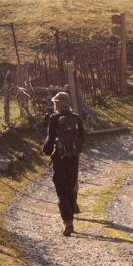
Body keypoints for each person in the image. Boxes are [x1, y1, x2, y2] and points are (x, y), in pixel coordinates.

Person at [42, 90, 86, 236]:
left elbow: (50, 139)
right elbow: (83, 138)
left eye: (55, 102)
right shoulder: (77, 118)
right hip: (73, 159)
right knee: (70, 190)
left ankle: (68, 222)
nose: (54, 104)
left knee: (61, 191)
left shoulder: (54, 118)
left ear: (59, 103)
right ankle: (70, 220)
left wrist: (46, 151)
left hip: (59, 159)